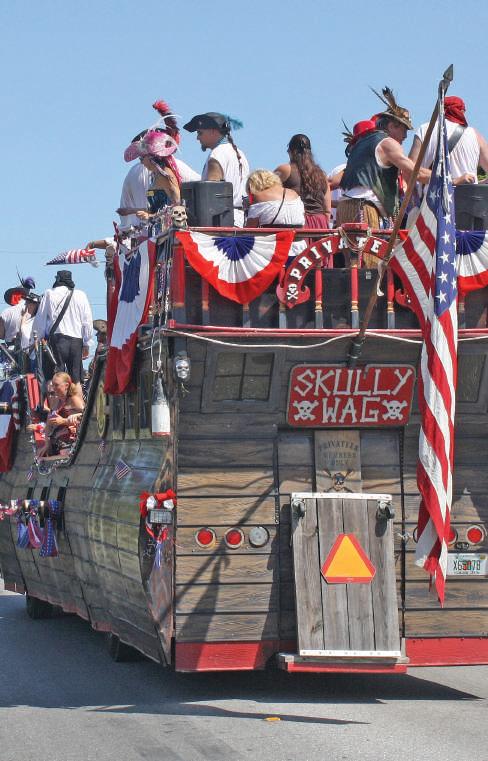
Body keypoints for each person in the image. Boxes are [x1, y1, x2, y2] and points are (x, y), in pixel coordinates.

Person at [183, 112, 250, 227]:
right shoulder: (239, 153)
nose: (197, 138)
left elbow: (211, 196)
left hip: (222, 221)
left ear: (213, 131)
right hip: (240, 220)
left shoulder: (217, 154)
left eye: (200, 133)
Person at [408, 96, 488, 186]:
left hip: (431, 194)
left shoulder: (425, 129)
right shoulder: (475, 135)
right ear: (461, 111)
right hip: (469, 194)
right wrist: (480, 184)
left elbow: (409, 169)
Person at [33, 270, 93, 388]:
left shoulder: (49, 293)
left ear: (58, 279)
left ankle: (57, 400)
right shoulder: (81, 295)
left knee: (56, 378)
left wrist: (37, 338)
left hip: (57, 340)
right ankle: (78, 400)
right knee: (76, 380)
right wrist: (87, 343)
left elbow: (40, 319)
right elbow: (87, 321)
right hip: (76, 341)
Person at [275, 134, 331, 229]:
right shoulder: (322, 175)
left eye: (288, 150)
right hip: (320, 224)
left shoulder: (285, 170)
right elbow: (327, 211)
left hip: (296, 223)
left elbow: (266, 191)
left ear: (293, 152)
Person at [42, 372, 85, 457]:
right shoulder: (56, 402)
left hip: (72, 443)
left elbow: (87, 418)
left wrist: (64, 421)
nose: (54, 388)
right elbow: (48, 424)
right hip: (57, 443)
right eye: (53, 385)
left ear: (66, 385)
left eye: (56, 385)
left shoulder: (74, 400)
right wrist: (46, 444)